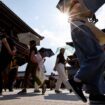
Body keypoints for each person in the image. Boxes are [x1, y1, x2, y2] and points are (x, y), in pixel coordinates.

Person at [57, 0, 105, 103]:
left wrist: (90, 16)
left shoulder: (75, 4)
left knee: (87, 61)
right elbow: (81, 12)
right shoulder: (78, 2)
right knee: (98, 56)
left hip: (78, 28)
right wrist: (91, 13)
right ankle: (76, 80)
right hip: (81, 28)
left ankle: (95, 94)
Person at [0, 29, 16, 95]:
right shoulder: (12, 40)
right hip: (9, 58)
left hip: (3, 56)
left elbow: (5, 41)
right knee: (3, 72)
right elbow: (15, 49)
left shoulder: (2, 36)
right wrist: (12, 52)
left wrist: (9, 51)